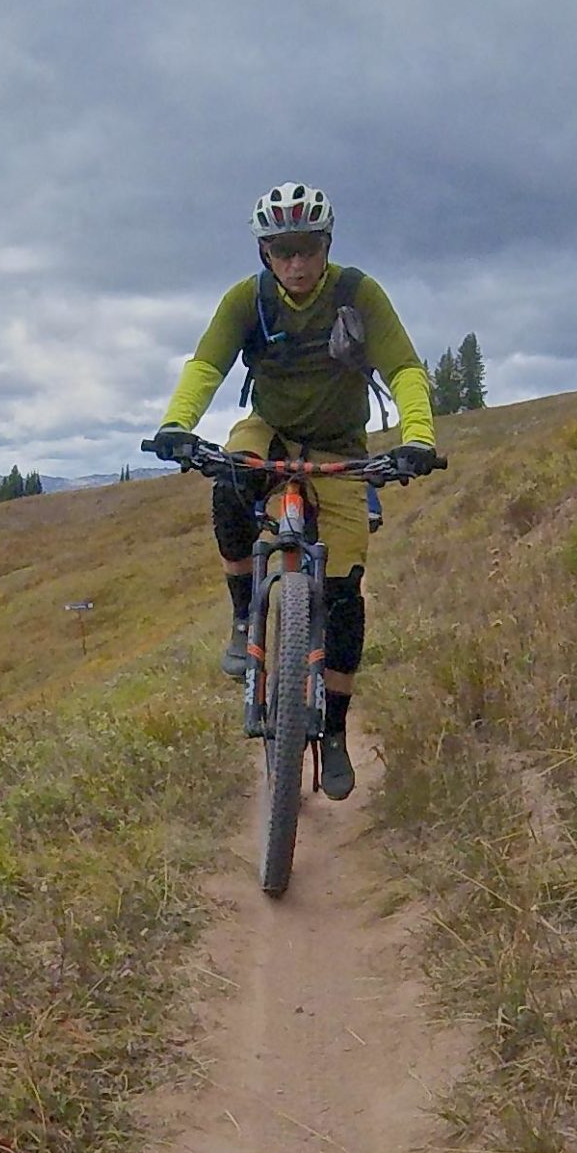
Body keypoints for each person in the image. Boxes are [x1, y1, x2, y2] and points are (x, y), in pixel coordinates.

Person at [150, 183, 439, 799]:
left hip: (339, 447)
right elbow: (206, 367)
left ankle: (333, 733)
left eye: (307, 249)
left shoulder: (357, 295)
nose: (297, 264)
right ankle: (239, 615)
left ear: (326, 246)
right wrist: (177, 424)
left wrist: (417, 437)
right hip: (272, 431)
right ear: (265, 254)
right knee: (230, 477)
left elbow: (405, 369)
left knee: (344, 590)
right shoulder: (247, 301)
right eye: (283, 252)